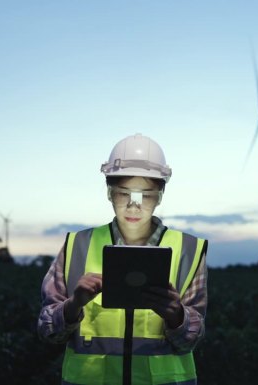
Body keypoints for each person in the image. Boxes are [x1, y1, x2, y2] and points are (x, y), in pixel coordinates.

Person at [38, 133, 208, 385]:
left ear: (160, 195)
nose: (133, 205)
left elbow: (192, 340)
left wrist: (177, 316)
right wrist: (73, 305)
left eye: (145, 195)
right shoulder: (77, 245)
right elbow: (47, 331)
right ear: (109, 192)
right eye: (123, 193)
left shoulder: (188, 250)